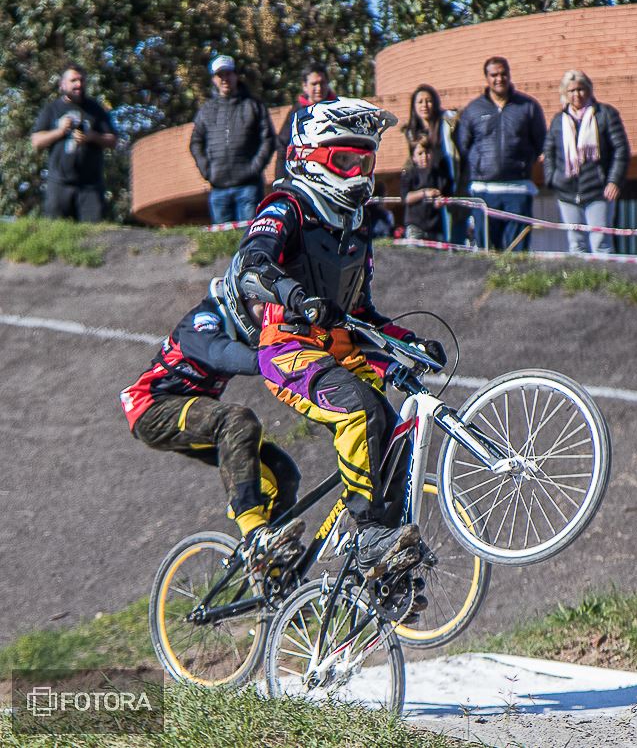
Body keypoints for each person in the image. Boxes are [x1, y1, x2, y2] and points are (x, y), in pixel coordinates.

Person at [226, 97, 447, 580]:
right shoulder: (286, 206)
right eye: (344, 160)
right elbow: (251, 266)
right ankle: (366, 534)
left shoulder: (355, 229)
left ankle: (377, 571)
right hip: (287, 350)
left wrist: (410, 342)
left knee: (397, 437)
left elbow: (361, 313)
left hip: (337, 353)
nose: (357, 173)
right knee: (360, 410)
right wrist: (297, 297)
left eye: (364, 161)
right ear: (309, 158)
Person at [120, 282, 304, 563]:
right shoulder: (204, 320)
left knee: (282, 472)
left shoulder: (236, 325)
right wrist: (269, 360)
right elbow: (219, 353)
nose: (263, 316)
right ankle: (253, 529)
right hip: (153, 408)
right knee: (238, 421)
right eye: (259, 308)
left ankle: (276, 572)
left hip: (191, 412)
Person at [457, 57, 546, 251]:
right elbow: (463, 146)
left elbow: (540, 142)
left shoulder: (528, 106)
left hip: (518, 190)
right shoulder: (473, 110)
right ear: (486, 78)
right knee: (487, 252)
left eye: (503, 73)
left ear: (509, 74)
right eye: (494, 75)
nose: (499, 78)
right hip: (484, 192)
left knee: (518, 252)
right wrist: (480, 165)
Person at [542, 70, 630, 254]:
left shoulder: (605, 114)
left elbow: (621, 149)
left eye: (581, 89)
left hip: (598, 191)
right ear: (564, 94)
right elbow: (548, 150)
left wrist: (614, 180)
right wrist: (552, 178)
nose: (576, 95)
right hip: (567, 193)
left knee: (601, 244)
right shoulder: (559, 120)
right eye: (571, 91)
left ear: (589, 90)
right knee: (576, 245)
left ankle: (606, 282)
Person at [190, 55, 276, 224]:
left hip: (249, 188)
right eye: (220, 75)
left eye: (228, 74)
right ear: (214, 79)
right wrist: (207, 171)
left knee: (250, 241)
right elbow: (196, 142)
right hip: (218, 189)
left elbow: (268, 139)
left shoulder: (253, 106)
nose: (225, 79)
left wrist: (254, 168)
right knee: (223, 245)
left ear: (236, 75)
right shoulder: (206, 110)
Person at [30, 64, 117, 222]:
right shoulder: (52, 109)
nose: (78, 84)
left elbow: (113, 140)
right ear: (62, 84)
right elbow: (36, 141)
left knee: (94, 236)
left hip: (90, 186)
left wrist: (92, 137)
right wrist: (60, 131)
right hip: (59, 184)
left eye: (81, 80)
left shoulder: (95, 109)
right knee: (56, 235)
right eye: (73, 80)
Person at [402, 84, 462, 243]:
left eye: (428, 101)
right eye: (420, 101)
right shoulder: (411, 133)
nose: (424, 105)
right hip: (421, 212)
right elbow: (405, 193)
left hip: (447, 188)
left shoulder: (447, 125)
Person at [274, 63, 335, 181]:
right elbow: (282, 146)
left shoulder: (339, 109)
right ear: (305, 86)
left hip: (333, 176)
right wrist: (280, 179)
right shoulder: (296, 113)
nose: (319, 88)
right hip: (303, 178)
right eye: (314, 84)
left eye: (322, 83)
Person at [401, 138, 451, 240]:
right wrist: (424, 193)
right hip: (415, 227)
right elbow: (406, 198)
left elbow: (445, 193)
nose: (424, 157)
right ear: (413, 157)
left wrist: (440, 201)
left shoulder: (438, 174)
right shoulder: (408, 173)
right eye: (420, 153)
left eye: (427, 152)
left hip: (435, 228)